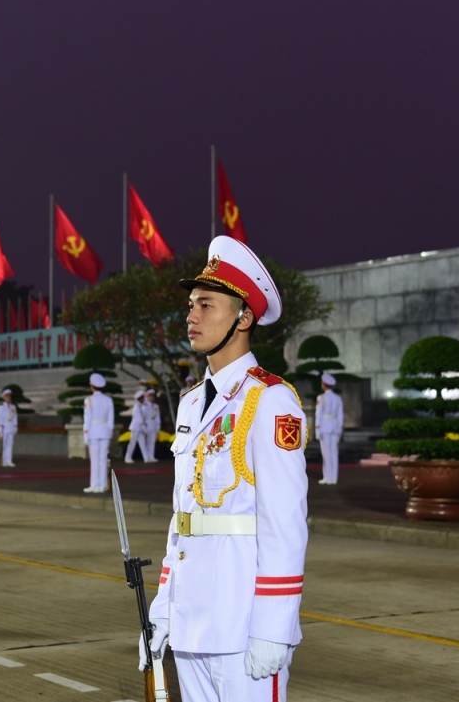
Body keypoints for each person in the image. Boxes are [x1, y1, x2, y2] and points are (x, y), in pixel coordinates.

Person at [142, 236, 308, 702]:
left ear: (244, 318)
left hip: (244, 625)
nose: (191, 315)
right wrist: (163, 612)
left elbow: (285, 525)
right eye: (191, 304)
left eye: (207, 304)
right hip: (192, 620)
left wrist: (274, 627)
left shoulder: (271, 401)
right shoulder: (193, 401)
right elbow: (184, 521)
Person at [82, 373, 114, 493]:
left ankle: (94, 484)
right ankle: (102, 484)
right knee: (103, 459)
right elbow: (111, 420)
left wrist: (86, 435)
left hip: (93, 431)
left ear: (92, 386)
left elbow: (87, 420)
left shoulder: (88, 400)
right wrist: (110, 433)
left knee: (94, 460)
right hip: (105, 431)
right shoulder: (108, 400)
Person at [315, 373, 343, 485]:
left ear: (324, 384)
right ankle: (333, 478)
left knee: (326, 453)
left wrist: (317, 430)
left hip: (325, 427)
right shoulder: (338, 398)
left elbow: (319, 415)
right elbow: (340, 415)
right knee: (334, 453)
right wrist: (340, 428)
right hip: (335, 426)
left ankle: (327, 477)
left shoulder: (321, 398)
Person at [0, 388, 18, 467]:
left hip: (11, 428)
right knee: (4, 445)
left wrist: (15, 426)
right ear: (4, 397)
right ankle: (4, 461)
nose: (8, 398)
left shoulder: (13, 407)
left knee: (10, 445)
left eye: (9, 396)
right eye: (7, 396)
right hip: (4, 428)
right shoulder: (0, 407)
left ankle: (9, 460)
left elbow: (15, 417)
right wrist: (0, 429)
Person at [124, 389, 148, 463]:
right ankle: (127, 457)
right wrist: (145, 430)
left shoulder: (140, 406)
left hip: (139, 428)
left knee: (142, 443)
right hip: (135, 428)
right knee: (132, 443)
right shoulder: (136, 407)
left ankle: (146, 457)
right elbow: (140, 420)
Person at [140, 387, 160, 462]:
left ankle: (151, 456)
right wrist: (143, 426)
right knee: (145, 441)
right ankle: (146, 457)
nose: (152, 398)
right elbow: (142, 416)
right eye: (150, 396)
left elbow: (158, 416)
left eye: (153, 396)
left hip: (153, 424)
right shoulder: (144, 406)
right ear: (147, 397)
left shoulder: (156, 406)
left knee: (152, 441)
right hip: (146, 424)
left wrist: (158, 425)